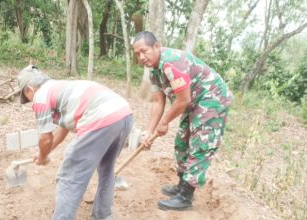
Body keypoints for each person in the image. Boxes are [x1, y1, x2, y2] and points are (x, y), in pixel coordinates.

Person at [132, 31, 233, 211]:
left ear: (157, 46)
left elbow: (183, 100)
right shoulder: (153, 70)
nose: (141, 57)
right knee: (181, 142)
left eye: (144, 51)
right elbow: (158, 101)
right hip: (192, 101)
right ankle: (181, 185)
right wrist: (150, 130)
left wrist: (165, 122)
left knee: (200, 144)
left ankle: (186, 196)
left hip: (212, 98)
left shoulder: (172, 62)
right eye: (137, 54)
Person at [17, 65, 133, 220]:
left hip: (101, 119)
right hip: (124, 115)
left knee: (69, 177)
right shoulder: (60, 87)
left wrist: (43, 156)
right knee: (107, 169)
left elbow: (45, 138)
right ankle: (103, 215)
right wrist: (43, 153)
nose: (30, 101)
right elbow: (62, 130)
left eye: (27, 97)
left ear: (29, 90)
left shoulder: (40, 96)